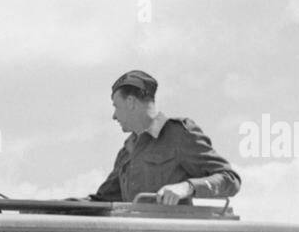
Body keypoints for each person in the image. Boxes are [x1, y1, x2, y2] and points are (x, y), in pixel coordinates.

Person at [91, 69, 240, 205]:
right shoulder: (127, 151)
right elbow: (101, 201)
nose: (114, 116)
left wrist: (187, 187)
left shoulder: (178, 135)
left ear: (130, 102)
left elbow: (230, 179)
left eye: (116, 106)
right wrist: (67, 208)